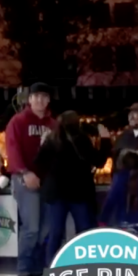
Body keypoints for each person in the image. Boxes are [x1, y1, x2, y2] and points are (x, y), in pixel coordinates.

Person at [33, 112, 105, 265]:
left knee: (55, 233)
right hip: (78, 191)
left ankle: (51, 268)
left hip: (56, 191)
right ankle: (85, 266)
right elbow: (98, 161)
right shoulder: (81, 139)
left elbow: (39, 162)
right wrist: (105, 140)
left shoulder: (52, 140)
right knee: (84, 231)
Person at [4, 82, 56, 276]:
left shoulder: (54, 124)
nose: (40, 100)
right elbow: (12, 149)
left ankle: (35, 271)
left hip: (47, 182)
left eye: (44, 96)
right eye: (36, 97)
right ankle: (24, 272)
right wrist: (24, 172)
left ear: (48, 100)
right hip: (25, 180)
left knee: (45, 229)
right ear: (29, 99)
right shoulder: (18, 122)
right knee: (32, 228)